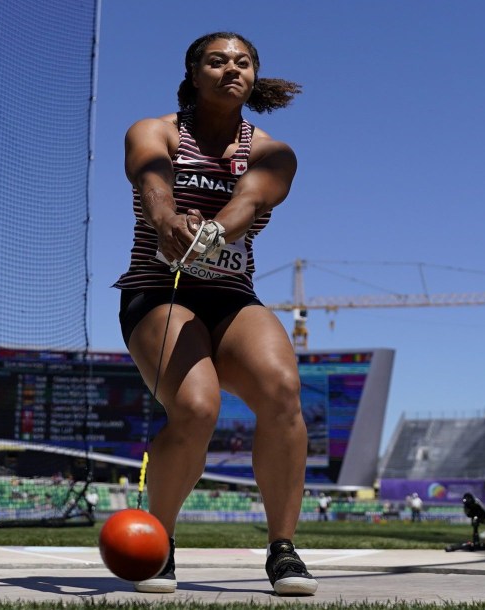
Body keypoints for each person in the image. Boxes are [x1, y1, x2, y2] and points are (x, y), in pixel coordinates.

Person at [113, 31, 312, 596]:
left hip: (231, 297)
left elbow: (249, 202)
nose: (232, 68)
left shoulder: (273, 150)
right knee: (197, 407)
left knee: (281, 389)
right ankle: (160, 540)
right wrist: (165, 217)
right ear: (193, 72)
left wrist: (210, 232)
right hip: (159, 289)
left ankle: (283, 549)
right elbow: (150, 179)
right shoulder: (155, 130)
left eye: (243, 62)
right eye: (217, 60)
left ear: (254, 77)